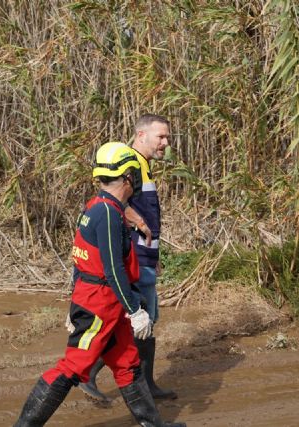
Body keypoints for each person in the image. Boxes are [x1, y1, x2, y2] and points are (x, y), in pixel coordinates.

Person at [14, 142, 185, 427]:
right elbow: (113, 270)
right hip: (99, 305)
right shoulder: (107, 213)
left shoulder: (96, 207)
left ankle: (152, 424)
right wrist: (136, 310)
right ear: (128, 176)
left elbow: (79, 261)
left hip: (104, 302)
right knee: (72, 367)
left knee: (127, 363)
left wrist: (77, 303)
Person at [79, 114, 178, 402]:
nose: (165, 143)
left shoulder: (144, 166)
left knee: (149, 318)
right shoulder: (130, 165)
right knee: (135, 319)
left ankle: (146, 385)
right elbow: (114, 201)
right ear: (140, 135)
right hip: (134, 257)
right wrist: (141, 224)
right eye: (161, 137)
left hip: (144, 256)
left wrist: (154, 253)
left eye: (168, 138)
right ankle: (88, 374)